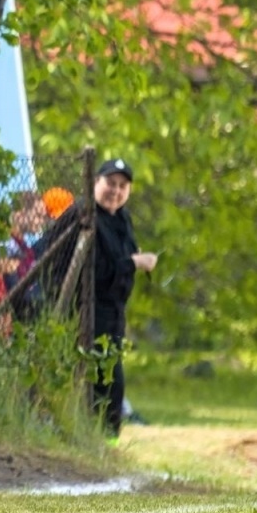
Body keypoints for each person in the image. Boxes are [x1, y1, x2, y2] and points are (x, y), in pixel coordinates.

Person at [86, 158, 157, 440]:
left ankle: (107, 446)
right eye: (110, 183)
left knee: (113, 388)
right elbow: (95, 271)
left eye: (122, 186)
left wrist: (135, 258)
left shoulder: (121, 218)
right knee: (103, 383)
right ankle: (96, 442)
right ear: (96, 183)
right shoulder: (87, 218)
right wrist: (133, 263)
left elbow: (122, 255)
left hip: (115, 313)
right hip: (89, 312)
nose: (115, 191)